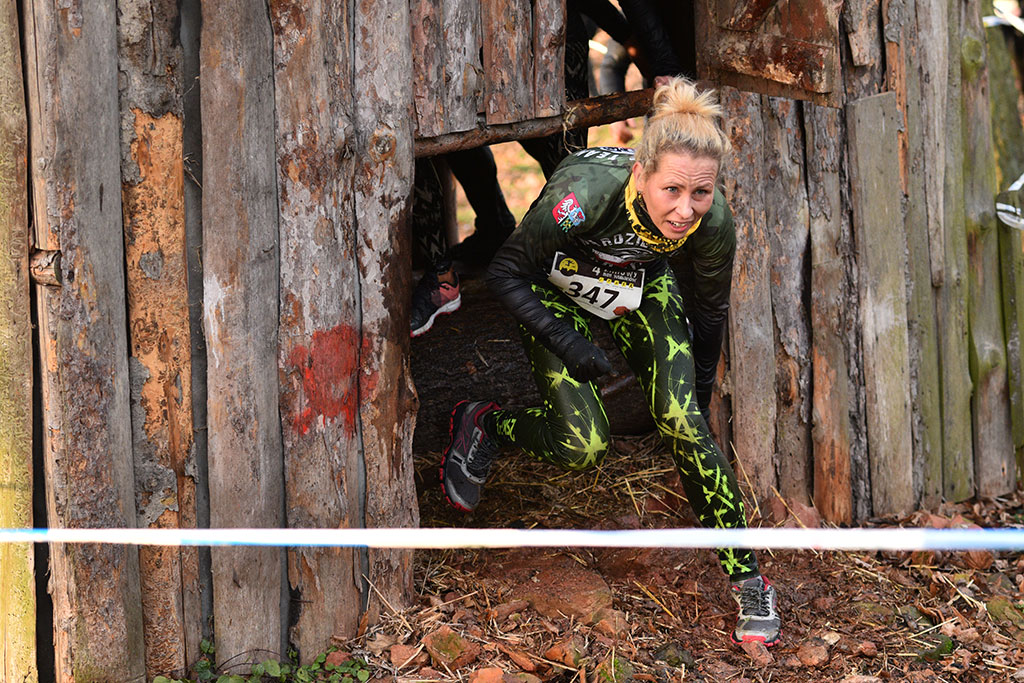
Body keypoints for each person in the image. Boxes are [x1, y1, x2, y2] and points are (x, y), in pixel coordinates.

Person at [437, 77, 781, 647]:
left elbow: (710, 310)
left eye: (700, 193)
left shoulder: (713, 221)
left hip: (641, 283)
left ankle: (749, 579)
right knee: (583, 446)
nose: (685, 209)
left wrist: (693, 398)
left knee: (685, 424)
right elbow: (505, 272)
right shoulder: (585, 196)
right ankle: (484, 420)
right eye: (671, 190)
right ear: (641, 173)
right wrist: (571, 345)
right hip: (553, 283)